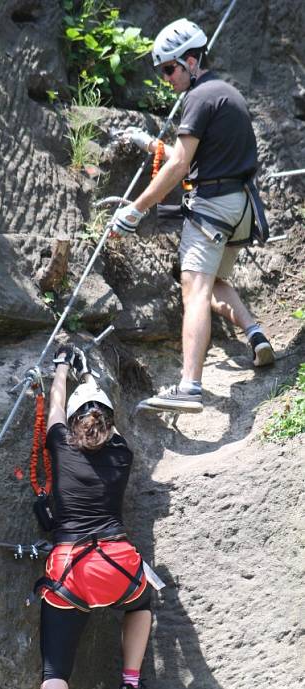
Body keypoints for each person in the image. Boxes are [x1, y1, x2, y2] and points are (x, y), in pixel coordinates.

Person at [112, 18, 274, 414]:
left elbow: (182, 165)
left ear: (190, 61)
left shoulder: (198, 98)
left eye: (169, 68)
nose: (166, 78)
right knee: (217, 281)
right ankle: (254, 333)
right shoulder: (227, 95)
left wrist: (135, 210)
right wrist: (149, 143)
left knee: (195, 290)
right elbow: (199, 158)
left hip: (212, 208)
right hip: (239, 208)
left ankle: (189, 386)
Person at [8, 345, 153, 689]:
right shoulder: (122, 455)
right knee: (143, 601)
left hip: (73, 570)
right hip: (121, 564)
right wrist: (92, 384)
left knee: (56, 670)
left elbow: (54, 408)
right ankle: (130, 682)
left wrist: (60, 370)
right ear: (110, 424)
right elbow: (102, 425)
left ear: (73, 423)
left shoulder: (59, 445)